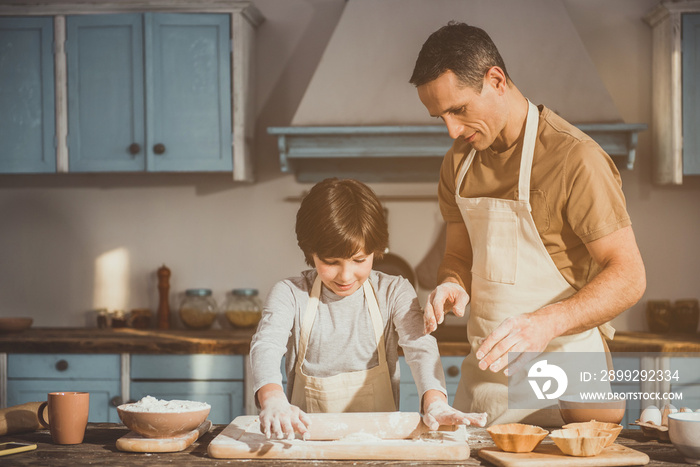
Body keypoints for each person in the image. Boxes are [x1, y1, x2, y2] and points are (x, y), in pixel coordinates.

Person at [409, 22, 646, 425]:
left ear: (496, 80)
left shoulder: (575, 159)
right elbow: (458, 254)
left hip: (567, 385)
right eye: (440, 116)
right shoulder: (458, 161)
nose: (451, 129)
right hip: (483, 393)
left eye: (459, 109)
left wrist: (547, 321)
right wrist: (451, 282)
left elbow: (629, 276)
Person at [250, 178, 487, 440]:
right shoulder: (291, 294)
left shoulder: (394, 291)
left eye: (359, 260)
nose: (345, 275)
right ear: (310, 251)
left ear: (376, 250)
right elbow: (267, 345)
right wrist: (272, 399)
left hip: (379, 445)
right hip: (307, 447)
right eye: (331, 261)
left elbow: (420, 348)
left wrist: (435, 402)